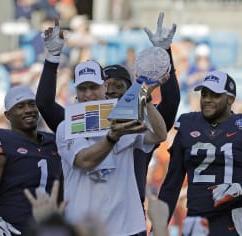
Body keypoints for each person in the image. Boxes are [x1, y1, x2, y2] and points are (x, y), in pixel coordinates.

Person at [36, 12, 180, 211]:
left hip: (128, 215)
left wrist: (164, 53)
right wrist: (52, 58)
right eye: (107, 85)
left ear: (131, 90)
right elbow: (45, 104)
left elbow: (170, 104)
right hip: (86, 216)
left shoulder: (139, 120)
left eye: (118, 86)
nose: (111, 91)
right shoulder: (74, 122)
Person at [56, 59, 167, 235]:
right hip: (84, 228)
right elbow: (84, 160)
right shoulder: (66, 126)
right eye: (82, 88)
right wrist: (113, 137)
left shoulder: (123, 116)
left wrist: (144, 97)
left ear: (104, 86)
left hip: (127, 226)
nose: (88, 94)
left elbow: (159, 135)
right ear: (75, 90)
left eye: (93, 87)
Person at [158, 70, 242, 236]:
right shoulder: (187, 124)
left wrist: (237, 188)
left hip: (232, 222)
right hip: (195, 223)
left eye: (215, 95)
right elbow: (172, 184)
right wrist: (158, 227)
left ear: (230, 99)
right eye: (204, 94)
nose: (207, 99)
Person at [0, 86, 63, 235]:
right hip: (11, 229)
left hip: (47, 229)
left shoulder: (54, 141)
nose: (28, 110)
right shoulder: (1, 140)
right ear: (8, 115)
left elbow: (61, 187)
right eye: (20, 106)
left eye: (32, 104)